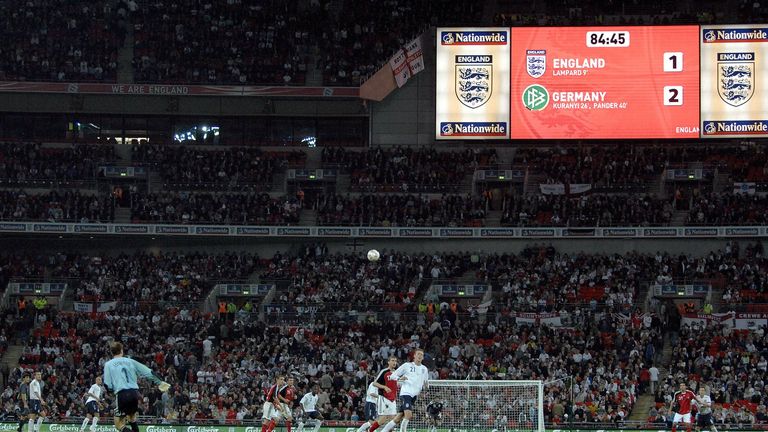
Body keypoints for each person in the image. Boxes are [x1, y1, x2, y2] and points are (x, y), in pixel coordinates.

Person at [103, 342, 170, 432]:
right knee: (132, 418)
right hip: (134, 393)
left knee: (119, 424)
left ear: (112, 352)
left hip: (122, 394)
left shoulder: (108, 364)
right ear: (121, 351)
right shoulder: (131, 361)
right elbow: (148, 372)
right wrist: (160, 382)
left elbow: (107, 384)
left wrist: (111, 391)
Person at [380, 349, 430, 432]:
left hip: (414, 396)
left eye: (421, 355)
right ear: (414, 356)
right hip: (406, 393)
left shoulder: (424, 369)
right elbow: (392, 376)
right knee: (408, 415)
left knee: (398, 418)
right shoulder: (407, 365)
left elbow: (425, 382)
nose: (420, 356)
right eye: (418, 354)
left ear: (423, 357)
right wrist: (399, 378)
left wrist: (426, 387)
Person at [367, 356, 399, 432]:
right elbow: (375, 383)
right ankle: (370, 431)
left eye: (395, 361)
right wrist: (384, 387)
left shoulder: (396, 373)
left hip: (393, 399)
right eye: (392, 360)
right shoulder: (384, 371)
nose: (394, 362)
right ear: (388, 362)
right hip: (384, 398)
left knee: (393, 420)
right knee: (382, 419)